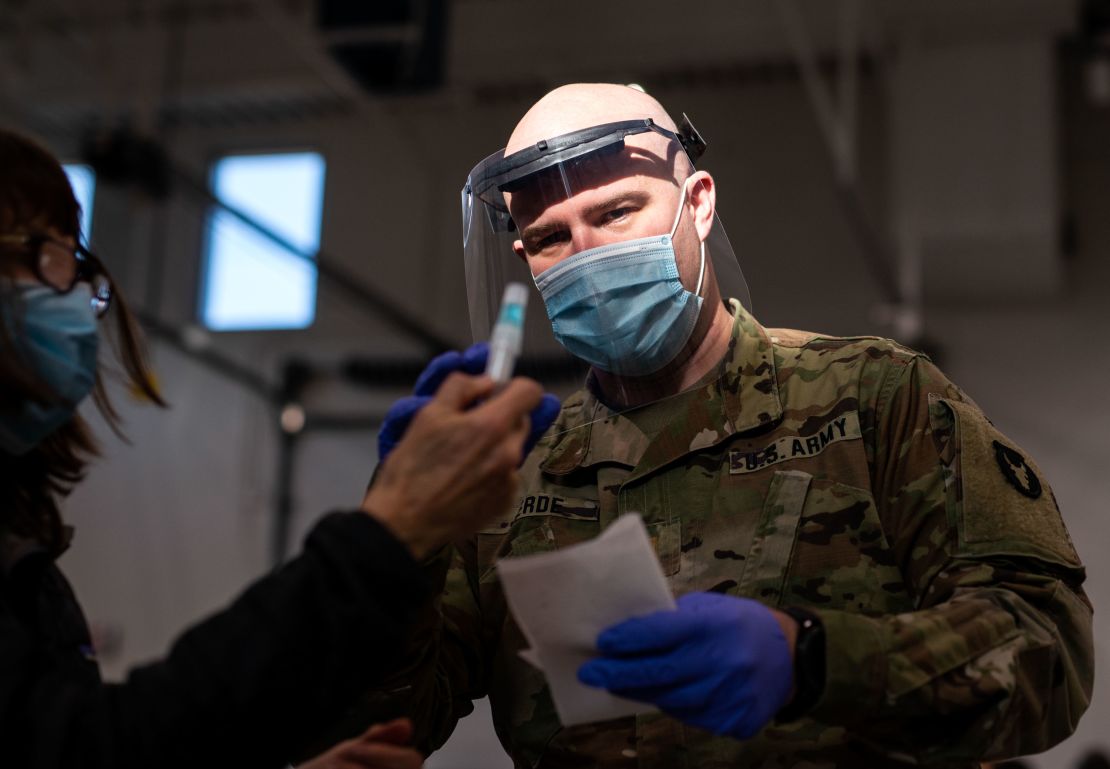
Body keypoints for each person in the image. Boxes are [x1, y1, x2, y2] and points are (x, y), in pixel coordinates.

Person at [361, 84, 1094, 768]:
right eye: (552, 235)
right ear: (524, 255)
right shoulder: (512, 472)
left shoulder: (871, 397)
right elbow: (382, 727)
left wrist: (813, 659)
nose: (587, 254)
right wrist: (397, 541)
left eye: (617, 212)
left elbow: (1046, 649)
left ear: (698, 205)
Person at [0, 127, 557, 768]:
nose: (72, 296)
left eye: (76, 266)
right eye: (45, 258)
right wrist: (391, 531)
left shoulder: (23, 550)